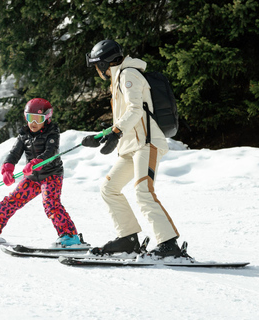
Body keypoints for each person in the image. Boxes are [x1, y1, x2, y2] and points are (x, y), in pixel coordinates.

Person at [83, 39, 181, 258]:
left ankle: (169, 244)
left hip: (146, 143)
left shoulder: (128, 75)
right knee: (109, 189)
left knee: (143, 191)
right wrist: (103, 136)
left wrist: (116, 132)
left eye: (97, 64)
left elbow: (136, 110)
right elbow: (127, 116)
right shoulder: (119, 77)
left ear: (104, 63)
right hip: (131, 146)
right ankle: (127, 239)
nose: (98, 70)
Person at [0, 98, 83, 247]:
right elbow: (14, 153)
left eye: (38, 119)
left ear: (47, 118)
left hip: (51, 175)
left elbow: (50, 152)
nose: (33, 123)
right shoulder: (24, 134)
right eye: (29, 118)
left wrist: (35, 163)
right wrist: (7, 168)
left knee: (51, 204)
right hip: (32, 177)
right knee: (11, 200)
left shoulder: (52, 133)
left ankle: (70, 236)